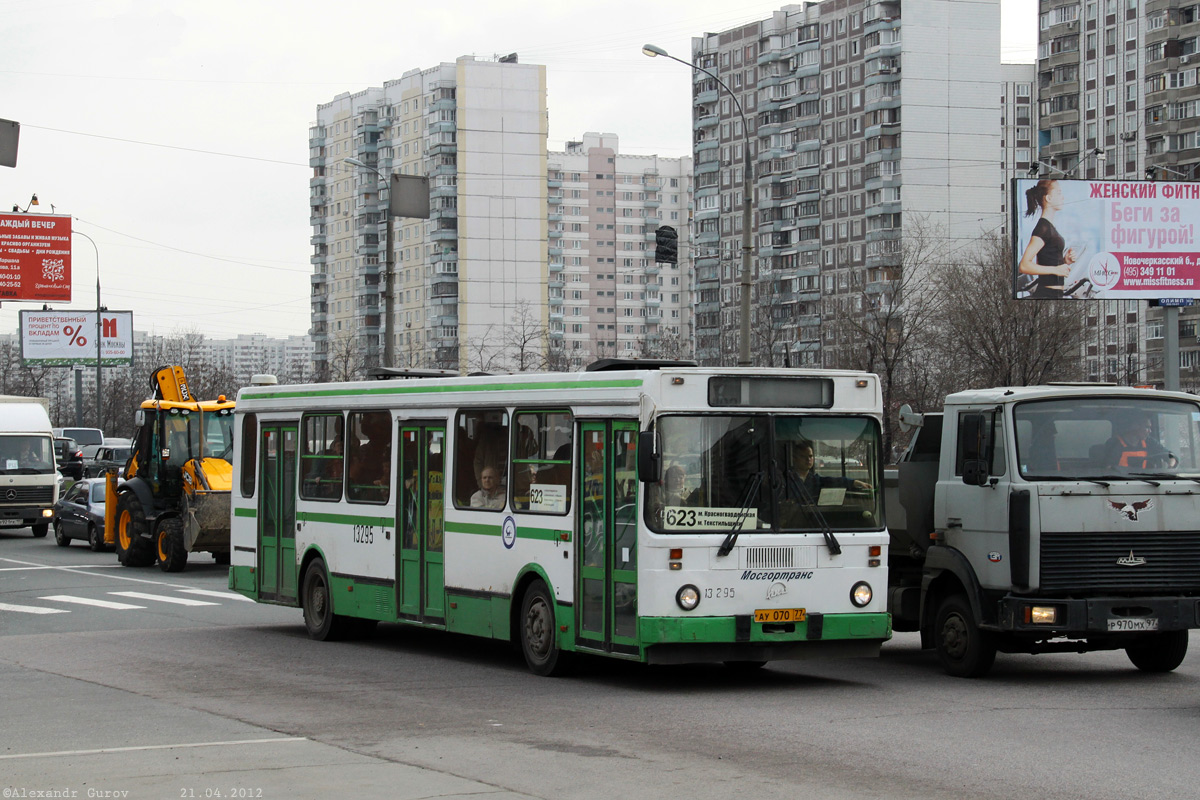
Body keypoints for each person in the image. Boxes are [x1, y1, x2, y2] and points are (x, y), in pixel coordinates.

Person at [1018, 179, 1079, 299]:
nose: (1062, 197)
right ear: (1048, 198)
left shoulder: (1049, 227)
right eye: (1059, 193)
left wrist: (1064, 261)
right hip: (1046, 294)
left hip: (1055, 294)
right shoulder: (1043, 228)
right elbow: (1024, 266)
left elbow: (1048, 260)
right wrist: (1056, 269)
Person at [787, 441, 870, 502]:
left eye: (810, 456)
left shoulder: (814, 480)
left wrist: (856, 483)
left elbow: (834, 481)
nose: (808, 459)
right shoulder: (786, 479)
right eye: (803, 456)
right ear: (794, 458)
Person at [1103, 414, 1175, 470]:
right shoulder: (1114, 443)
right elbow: (1108, 469)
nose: (1150, 431)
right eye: (1147, 427)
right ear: (1134, 426)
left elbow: (1170, 455)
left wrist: (1171, 465)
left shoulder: (1150, 442)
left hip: (1148, 484)